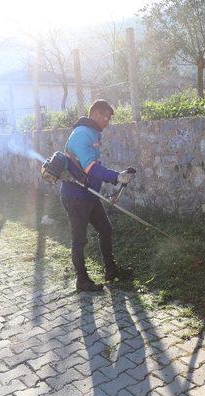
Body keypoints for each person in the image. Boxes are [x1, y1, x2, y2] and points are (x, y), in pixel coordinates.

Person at [60, 99, 136, 292]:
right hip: (76, 197)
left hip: (88, 195)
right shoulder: (81, 135)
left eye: (110, 118)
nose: (108, 121)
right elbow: (91, 168)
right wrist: (117, 177)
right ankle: (82, 280)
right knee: (79, 239)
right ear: (94, 114)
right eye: (106, 117)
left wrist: (115, 177)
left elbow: (93, 166)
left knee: (105, 229)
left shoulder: (92, 133)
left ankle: (111, 270)